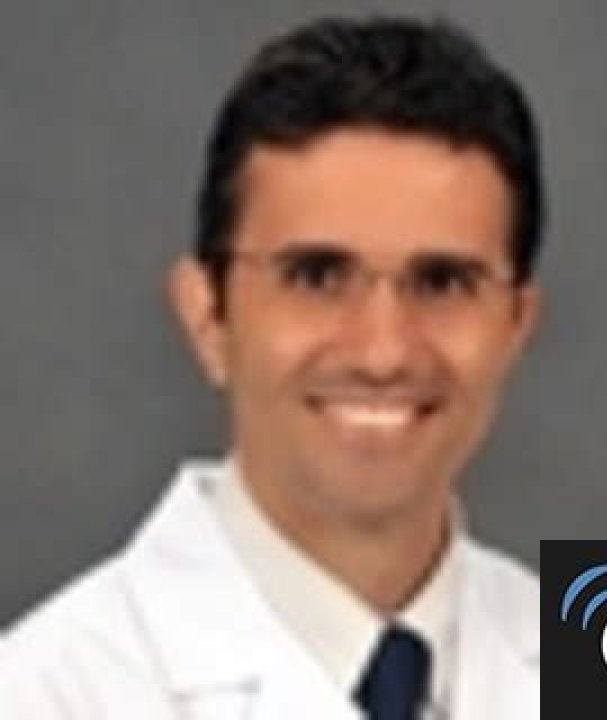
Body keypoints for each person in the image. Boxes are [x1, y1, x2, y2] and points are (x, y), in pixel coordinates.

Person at [0, 15, 545, 719]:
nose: (383, 352)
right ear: (208, 315)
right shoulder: (39, 691)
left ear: (515, 326)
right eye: (317, 275)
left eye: (442, 282)